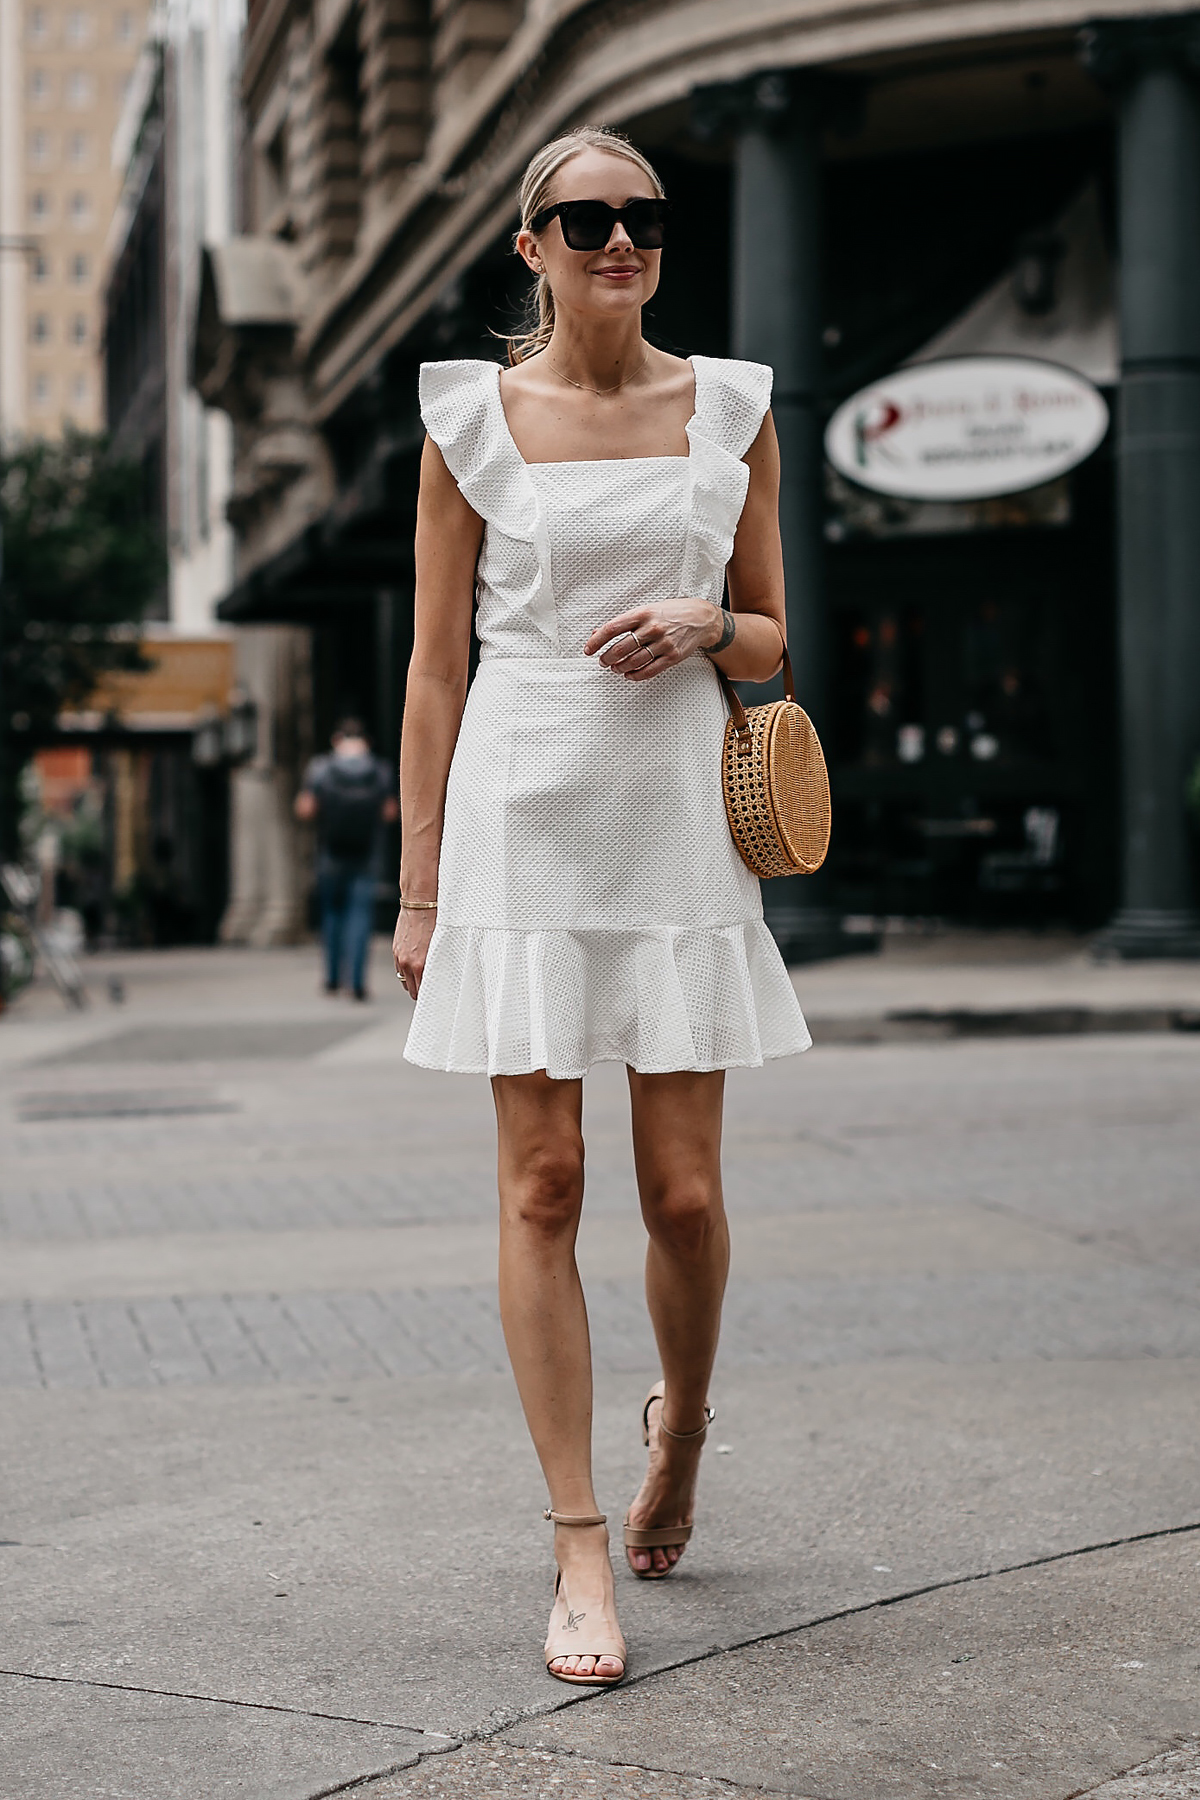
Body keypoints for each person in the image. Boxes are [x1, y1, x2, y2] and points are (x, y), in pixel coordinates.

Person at [393, 127, 811, 1687]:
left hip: (676, 816)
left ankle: (682, 1431)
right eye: (585, 218)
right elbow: (437, 669)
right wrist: (421, 884)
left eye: (641, 217)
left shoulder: (733, 411)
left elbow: (774, 643)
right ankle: (577, 1544)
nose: (619, 239)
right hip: (520, 807)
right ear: (533, 245)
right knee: (546, 1184)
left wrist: (715, 619)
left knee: (685, 1195)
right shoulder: (468, 422)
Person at [297, 719, 396, 1000]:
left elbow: (305, 809)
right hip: (366, 854)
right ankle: (356, 981)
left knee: (332, 913)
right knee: (360, 915)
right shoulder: (379, 769)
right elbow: (389, 812)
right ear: (366, 741)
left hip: (331, 852)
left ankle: (331, 977)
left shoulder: (321, 768)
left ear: (336, 739)